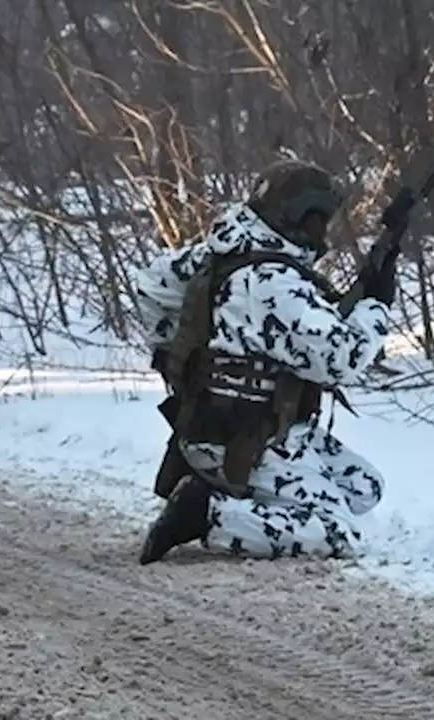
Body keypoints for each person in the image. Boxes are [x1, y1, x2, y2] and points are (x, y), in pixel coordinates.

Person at [132, 158, 396, 564]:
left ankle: (222, 494)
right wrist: (377, 305)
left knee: (364, 488)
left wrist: (175, 355)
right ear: (300, 217)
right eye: (319, 219)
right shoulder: (272, 281)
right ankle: (208, 514)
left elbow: (151, 284)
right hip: (246, 443)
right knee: (338, 532)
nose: (322, 230)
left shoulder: (224, 253)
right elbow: (341, 357)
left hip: (232, 426)